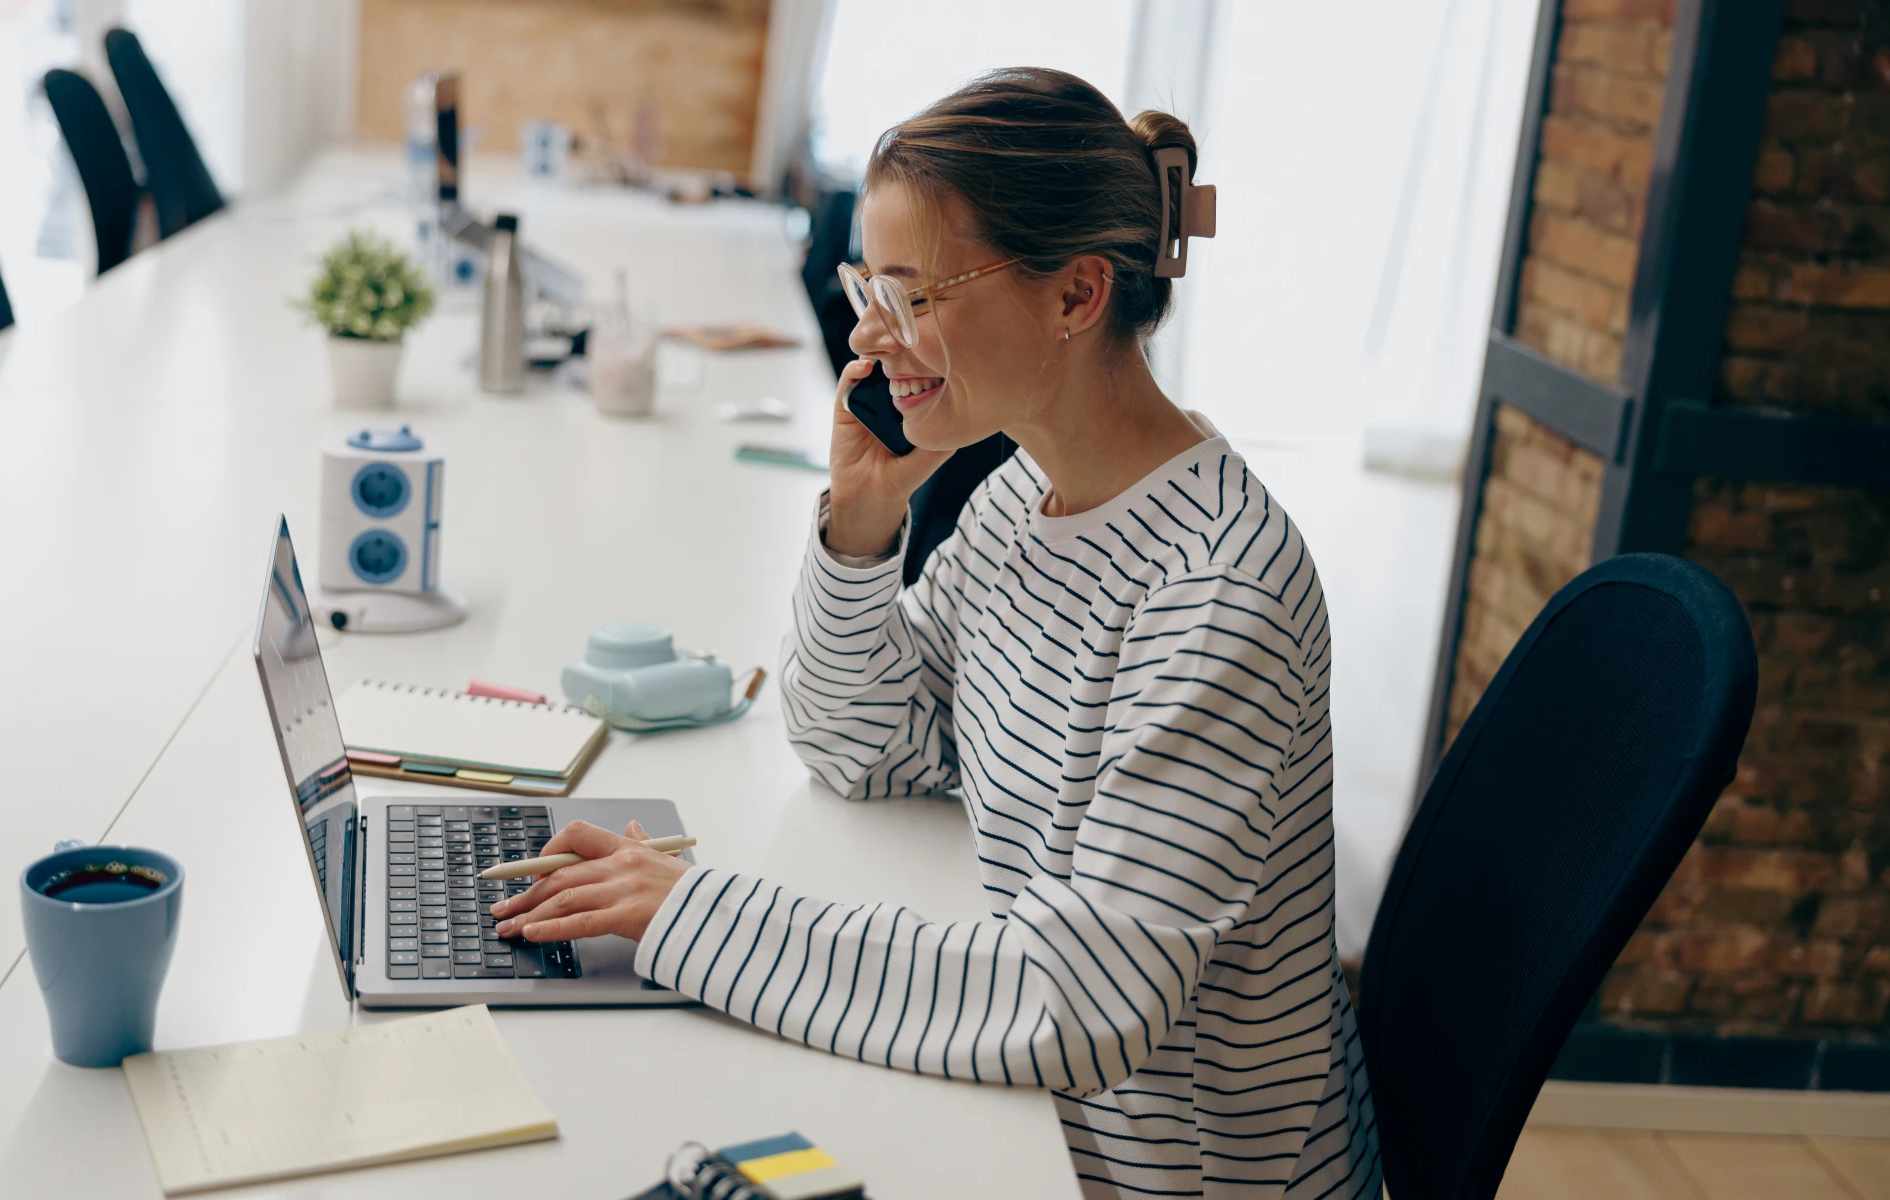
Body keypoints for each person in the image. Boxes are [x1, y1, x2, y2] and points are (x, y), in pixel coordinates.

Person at [491, 68, 1379, 1200]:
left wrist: (690, 912)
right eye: (871, 286)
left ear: (1074, 297)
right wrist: (862, 529)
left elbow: (1079, 1002)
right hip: (1033, 1102)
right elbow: (863, 747)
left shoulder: (1217, 593)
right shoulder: (1024, 494)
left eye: (914, 296)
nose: (870, 334)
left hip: (1150, 1164)